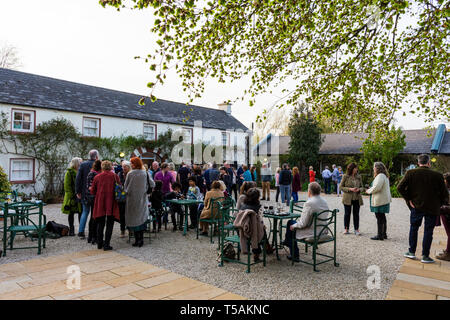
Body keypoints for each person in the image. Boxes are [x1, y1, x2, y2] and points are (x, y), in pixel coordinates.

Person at [397, 154, 449, 264]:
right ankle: (425, 255)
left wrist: (409, 199)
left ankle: (411, 252)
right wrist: (441, 203)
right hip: (432, 207)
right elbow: (445, 194)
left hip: (416, 206)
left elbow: (400, 187)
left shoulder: (411, 173)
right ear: (429, 163)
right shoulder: (438, 176)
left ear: (418, 163)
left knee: (414, 228)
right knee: (428, 231)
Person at [284, 182, 329, 261]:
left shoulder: (309, 203)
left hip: (313, 231)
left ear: (309, 191)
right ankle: (287, 241)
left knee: (290, 224)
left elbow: (303, 223)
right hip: (322, 229)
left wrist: (294, 226)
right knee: (291, 223)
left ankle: (294, 254)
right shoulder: (324, 201)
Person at [90, 160, 120, 251]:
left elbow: (92, 191)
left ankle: (99, 243)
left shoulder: (97, 177)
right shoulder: (114, 176)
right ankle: (106, 244)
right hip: (111, 201)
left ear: (102, 167)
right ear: (111, 167)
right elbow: (119, 187)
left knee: (100, 223)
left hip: (100, 202)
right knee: (110, 224)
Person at [124, 157, 153, 247]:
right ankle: (141, 240)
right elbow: (152, 184)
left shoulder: (130, 174)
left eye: (132, 163)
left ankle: (137, 240)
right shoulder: (145, 173)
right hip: (142, 199)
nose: (131, 164)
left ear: (135, 164)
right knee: (141, 218)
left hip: (132, 200)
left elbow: (125, 187)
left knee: (134, 219)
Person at [235, 188, 266, 262]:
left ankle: (267, 248)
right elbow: (260, 221)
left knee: (258, 229)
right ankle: (260, 252)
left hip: (241, 231)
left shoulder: (242, 207)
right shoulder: (257, 208)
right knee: (261, 230)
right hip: (253, 233)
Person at [75, 149, 99, 239]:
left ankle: (81, 231)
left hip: (85, 193)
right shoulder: (99, 164)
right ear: (96, 156)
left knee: (85, 212)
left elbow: (78, 179)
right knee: (94, 213)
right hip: (95, 193)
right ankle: (93, 232)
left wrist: (78, 191)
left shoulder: (83, 164)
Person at [366, 162, 391, 241]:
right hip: (383, 199)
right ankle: (384, 234)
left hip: (380, 200)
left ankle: (380, 235)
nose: (373, 169)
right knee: (382, 217)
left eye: (374, 167)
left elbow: (377, 187)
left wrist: (368, 191)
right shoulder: (384, 176)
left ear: (377, 168)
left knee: (379, 217)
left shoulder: (380, 176)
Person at [340, 163, 365, 235]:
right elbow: (340, 187)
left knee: (356, 214)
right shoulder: (345, 176)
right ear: (351, 169)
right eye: (355, 168)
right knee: (347, 214)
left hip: (357, 198)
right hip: (347, 198)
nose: (357, 169)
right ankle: (346, 229)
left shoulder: (359, 177)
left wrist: (359, 189)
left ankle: (356, 229)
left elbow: (362, 187)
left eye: (357, 168)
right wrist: (350, 189)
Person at [62, 157, 83, 236]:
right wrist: (72, 195)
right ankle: (71, 230)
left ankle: (81, 229)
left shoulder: (80, 171)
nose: (81, 164)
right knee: (71, 213)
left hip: (79, 195)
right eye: (79, 162)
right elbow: (67, 185)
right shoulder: (69, 172)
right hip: (71, 196)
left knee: (80, 213)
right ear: (76, 163)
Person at [86, 159, 102, 245]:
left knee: (92, 216)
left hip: (90, 197)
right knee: (95, 217)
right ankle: (94, 237)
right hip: (95, 197)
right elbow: (92, 187)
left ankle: (90, 236)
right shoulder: (96, 174)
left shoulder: (90, 173)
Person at [436, 173, 450, 261]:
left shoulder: (448, 190)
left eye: (444, 180)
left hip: (447, 213)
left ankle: (448, 254)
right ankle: (448, 251)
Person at [118, 161, 131, 238]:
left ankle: (130, 230)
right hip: (121, 197)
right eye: (123, 167)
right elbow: (118, 183)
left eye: (125, 167)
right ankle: (122, 230)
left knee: (129, 214)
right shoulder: (120, 174)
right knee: (122, 215)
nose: (123, 168)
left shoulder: (131, 174)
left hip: (129, 196)